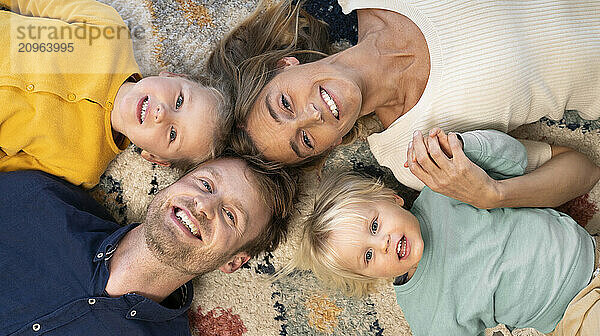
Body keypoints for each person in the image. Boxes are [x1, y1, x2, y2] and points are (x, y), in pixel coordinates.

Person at [291, 129, 600, 336]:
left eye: (374, 226)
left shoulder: (442, 192)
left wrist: (462, 151)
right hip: (574, 316)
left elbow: (514, 159)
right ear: (369, 279)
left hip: (589, 248)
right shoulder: (423, 308)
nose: (382, 244)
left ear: (392, 199)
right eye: (368, 257)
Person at [208, 0, 600, 209]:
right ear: (330, 147)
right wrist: (492, 195)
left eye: (285, 104)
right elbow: (580, 170)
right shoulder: (413, 154)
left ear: (284, 65)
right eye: (306, 141)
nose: (312, 116)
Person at [0, 154, 296, 336]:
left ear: (233, 262)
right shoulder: (31, 199)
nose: (204, 205)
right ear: (173, 184)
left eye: (230, 215)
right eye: (205, 184)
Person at [0, 0, 230, 188]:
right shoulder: (109, 31)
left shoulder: (82, 168)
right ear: (173, 76)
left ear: (154, 158)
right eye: (179, 101)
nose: (162, 112)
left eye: (172, 134)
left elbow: (8, 165)